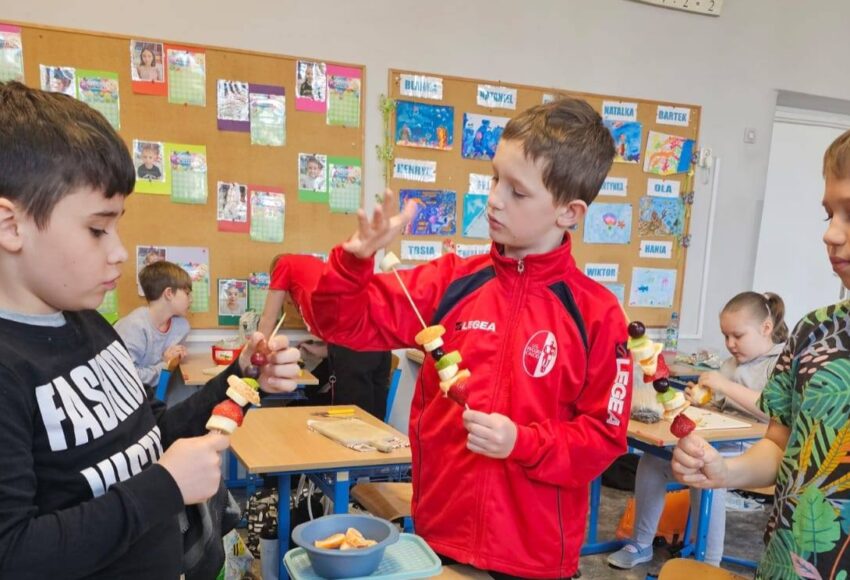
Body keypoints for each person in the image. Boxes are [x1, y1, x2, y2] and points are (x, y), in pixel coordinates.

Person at [307, 97, 631, 579]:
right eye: (495, 178)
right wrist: (353, 263)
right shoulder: (451, 282)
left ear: (569, 212)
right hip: (440, 537)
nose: (494, 199)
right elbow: (339, 324)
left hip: (534, 556)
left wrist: (521, 441)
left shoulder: (596, 315)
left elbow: (603, 438)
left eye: (518, 192)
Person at [0, 81, 301, 578]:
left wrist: (245, 377)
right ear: (11, 226)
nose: (118, 250)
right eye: (98, 229)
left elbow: (152, 437)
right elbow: (14, 554)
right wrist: (165, 487)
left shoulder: (91, 325)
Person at [673, 128, 850, 578]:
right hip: (786, 566)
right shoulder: (815, 332)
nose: (831, 234)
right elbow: (778, 444)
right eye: (829, 213)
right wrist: (724, 471)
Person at [607, 291, 787, 569]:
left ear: (766, 328)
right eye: (726, 336)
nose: (730, 344)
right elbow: (719, 405)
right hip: (718, 440)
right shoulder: (730, 363)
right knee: (653, 461)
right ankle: (641, 543)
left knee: (705, 471)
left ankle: (707, 563)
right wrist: (701, 396)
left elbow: (773, 411)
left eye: (738, 336)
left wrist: (724, 386)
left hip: (754, 450)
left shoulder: (779, 363)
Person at [259, 253, 392, 419]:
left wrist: (255, 359)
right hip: (378, 336)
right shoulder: (312, 271)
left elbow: (268, 319)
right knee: (373, 416)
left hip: (357, 341)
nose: (286, 302)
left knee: (353, 419)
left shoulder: (283, 264)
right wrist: (319, 350)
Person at [115, 260, 192, 390]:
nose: (191, 299)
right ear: (169, 293)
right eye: (187, 293)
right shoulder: (134, 326)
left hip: (156, 394)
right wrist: (165, 364)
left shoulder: (182, 327)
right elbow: (125, 378)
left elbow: (163, 379)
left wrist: (173, 361)